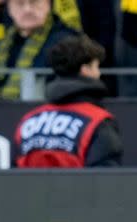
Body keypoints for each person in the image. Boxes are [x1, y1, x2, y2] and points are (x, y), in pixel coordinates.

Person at [14, 34, 122, 167]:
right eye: (96, 67)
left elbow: (13, 177)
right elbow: (105, 179)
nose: (99, 73)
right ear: (85, 70)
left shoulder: (29, 121)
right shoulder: (97, 121)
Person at [0, 0, 76, 101]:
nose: (27, 10)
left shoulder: (67, 43)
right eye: (19, 3)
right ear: (9, 8)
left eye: (34, 2)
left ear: (50, 5)